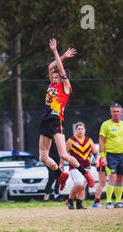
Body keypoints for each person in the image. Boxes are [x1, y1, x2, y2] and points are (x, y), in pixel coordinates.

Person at [39, 38, 95, 193]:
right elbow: (52, 66)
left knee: (63, 154)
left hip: (56, 119)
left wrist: (56, 52)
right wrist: (62, 56)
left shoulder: (66, 88)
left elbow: (61, 70)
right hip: (45, 119)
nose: (55, 78)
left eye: (58, 77)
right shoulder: (52, 85)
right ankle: (60, 175)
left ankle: (86, 173)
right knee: (43, 157)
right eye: (54, 77)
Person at [99, 103, 123, 209]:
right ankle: (109, 202)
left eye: (118, 111)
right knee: (112, 177)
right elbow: (101, 141)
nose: (116, 113)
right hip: (110, 155)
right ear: (111, 113)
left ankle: (118, 202)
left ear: (121, 113)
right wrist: (102, 156)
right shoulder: (105, 124)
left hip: (122, 155)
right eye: (114, 111)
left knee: (120, 178)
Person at [62, 122, 99, 210]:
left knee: (82, 187)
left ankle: (79, 204)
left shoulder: (89, 140)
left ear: (85, 130)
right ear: (75, 130)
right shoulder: (71, 141)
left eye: (82, 129)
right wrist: (61, 163)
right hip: (74, 166)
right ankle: (70, 200)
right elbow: (64, 153)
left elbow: (95, 153)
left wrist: (97, 159)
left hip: (87, 166)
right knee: (79, 183)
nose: (80, 130)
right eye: (78, 129)